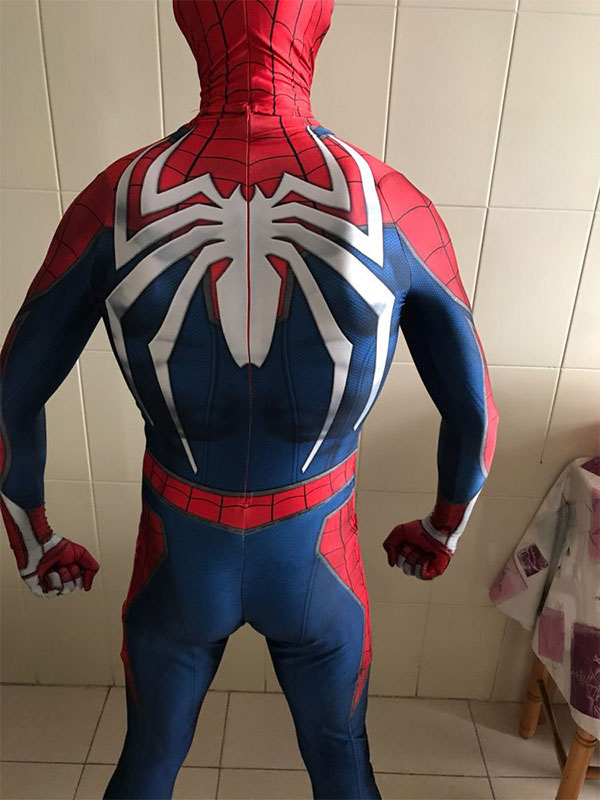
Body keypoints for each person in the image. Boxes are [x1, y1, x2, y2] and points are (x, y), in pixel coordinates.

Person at [0, 1, 499, 797]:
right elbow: (475, 413)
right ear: (317, 27)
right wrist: (444, 525)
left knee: (148, 761)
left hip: (179, 546)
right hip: (317, 551)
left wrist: (33, 540)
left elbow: (8, 399)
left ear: (191, 26)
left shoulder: (118, 196)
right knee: (343, 766)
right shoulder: (387, 198)